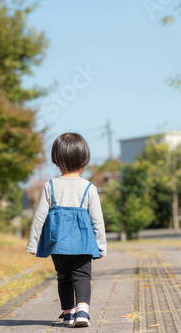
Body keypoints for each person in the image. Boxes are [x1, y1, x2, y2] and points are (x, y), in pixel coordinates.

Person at [26, 133, 107, 327]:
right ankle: (82, 312)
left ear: (57, 161)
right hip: (83, 243)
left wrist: (33, 242)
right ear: (85, 160)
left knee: (63, 277)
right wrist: (101, 245)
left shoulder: (50, 186)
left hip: (58, 244)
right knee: (82, 277)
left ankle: (68, 313)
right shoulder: (89, 188)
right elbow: (98, 220)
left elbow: (39, 217)